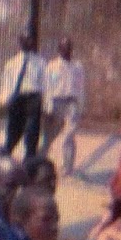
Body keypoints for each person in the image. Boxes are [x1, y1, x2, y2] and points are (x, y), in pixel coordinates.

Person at [0, 32, 46, 158]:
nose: (25, 42)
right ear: (19, 42)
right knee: (14, 125)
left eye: (28, 40)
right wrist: (4, 99)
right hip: (17, 97)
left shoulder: (40, 62)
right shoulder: (12, 62)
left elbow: (45, 83)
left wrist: (45, 101)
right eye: (23, 40)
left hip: (33, 97)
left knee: (32, 128)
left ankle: (29, 155)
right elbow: (7, 82)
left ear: (31, 42)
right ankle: (8, 150)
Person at [42, 39, 86, 177]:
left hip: (71, 103)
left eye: (69, 48)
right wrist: (48, 105)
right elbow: (47, 87)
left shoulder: (77, 67)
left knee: (69, 134)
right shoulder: (52, 66)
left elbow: (81, 87)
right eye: (64, 48)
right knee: (49, 136)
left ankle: (68, 168)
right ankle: (41, 161)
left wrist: (81, 106)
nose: (67, 50)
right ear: (59, 49)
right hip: (56, 102)